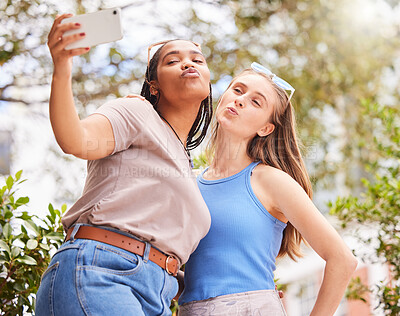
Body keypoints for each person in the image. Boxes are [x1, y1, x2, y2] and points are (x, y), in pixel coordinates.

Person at [36, 14, 213, 316]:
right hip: (100, 273)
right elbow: (76, 140)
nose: (188, 63)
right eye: (172, 61)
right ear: (153, 85)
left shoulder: (186, 164)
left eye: (197, 59)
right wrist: (62, 68)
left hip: (154, 294)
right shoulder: (136, 111)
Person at [178, 63, 358, 316]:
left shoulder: (270, 180)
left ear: (266, 128)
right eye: (237, 90)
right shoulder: (190, 181)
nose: (240, 100)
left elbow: (342, 260)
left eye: (256, 102)